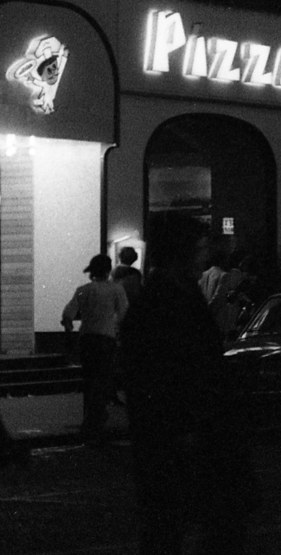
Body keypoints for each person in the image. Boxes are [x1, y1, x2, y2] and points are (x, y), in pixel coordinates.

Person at [121, 215, 257, 553]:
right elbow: (166, 370)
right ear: (181, 251)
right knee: (177, 524)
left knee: (178, 524)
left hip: (186, 431)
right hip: (183, 434)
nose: (204, 255)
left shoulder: (173, 293)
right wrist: (185, 426)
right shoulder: (166, 299)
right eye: (199, 247)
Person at [61, 253, 128, 436]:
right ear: (108, 270)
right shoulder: (116, 290)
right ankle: (96, 419)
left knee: (89, 379)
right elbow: (124, 316)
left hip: (86, 339)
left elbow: (68, 313)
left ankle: (88, 419)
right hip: (106, 339)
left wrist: (68, 331)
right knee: (104, 379)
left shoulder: (83, 290)